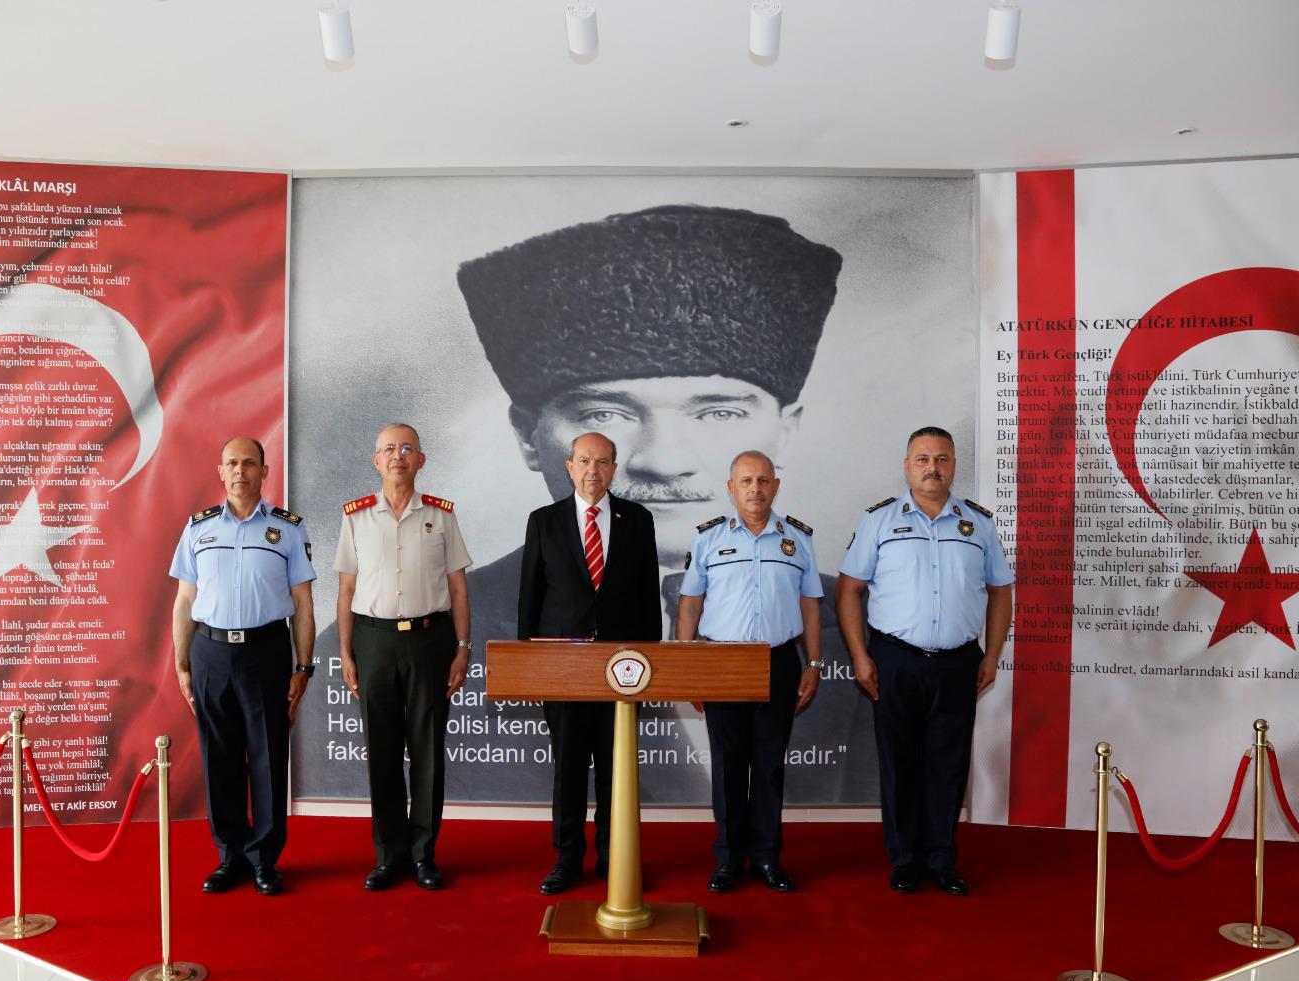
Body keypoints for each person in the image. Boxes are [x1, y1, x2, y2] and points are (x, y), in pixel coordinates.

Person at [458, 203, 879, 808]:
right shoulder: (454, 628)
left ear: (784, 434)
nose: (663, 460)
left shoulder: (866, 627)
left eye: (719, 413)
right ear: (528, 437)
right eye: (605, 413)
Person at [835, 427, 1013, 897]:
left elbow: (1000, 592)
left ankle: (941, 858)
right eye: (923, 459)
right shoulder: (879, 521)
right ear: (907, 465)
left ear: (953, 464)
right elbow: (849, 589)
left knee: (948, 763)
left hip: (958, 662)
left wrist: (993, 655)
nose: (932, 467)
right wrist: (860, 655)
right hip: (895, 659)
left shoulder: (978, 524)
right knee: (899, 762)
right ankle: (905, 859)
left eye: (941, 459)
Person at [170, 436, 316, 897]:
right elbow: (185, 600)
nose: (240, 471)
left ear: (264, 471)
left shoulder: (286, 529)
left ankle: (264, 859)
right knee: (220, 757)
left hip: (266, 652)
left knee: (269, 755)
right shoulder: (198, 528)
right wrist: (182, 661)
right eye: (231, 463)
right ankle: (229, 856)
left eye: (249, 463)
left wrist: (304, 665)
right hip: (210, 652)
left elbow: (303, 603)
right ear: (220, 471)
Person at [518, 431, 660, 894]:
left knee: (617, 769)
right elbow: (530, 599)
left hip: (623, 670)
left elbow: (647, 597)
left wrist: (650, 663)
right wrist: (531, 668)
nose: (592, 471)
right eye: (584, 461)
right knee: (569, 768)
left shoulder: (637, 520)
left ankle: (615, 856)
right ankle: (567, 858)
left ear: (614, 468)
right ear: (569, 466)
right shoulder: (544, 521)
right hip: (562, 670)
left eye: (602, 462)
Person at [676, 450, 823, 893]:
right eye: (746, 481)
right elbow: (690, 605)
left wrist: (814, 663)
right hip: (722, 664)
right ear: (731, 488)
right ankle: (727, 858)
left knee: (769, 764)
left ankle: (766, 857)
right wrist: (688, 670)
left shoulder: (797, 539)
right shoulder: (708, 538)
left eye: (762, 481)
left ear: (775, 486)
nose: (755, 489)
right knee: (727, 766)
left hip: (779, 661)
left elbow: (810, 606)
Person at [335, 423, 473, 891]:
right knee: (383, 752)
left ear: (421, 460)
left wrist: (462, 648)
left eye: (407, 448)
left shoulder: (441, 516)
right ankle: (389, 855)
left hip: (429, 642)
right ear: (376, 460)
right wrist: (346, 652)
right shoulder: (355, 518)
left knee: (428, 751)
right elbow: (346, 589)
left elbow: (458, 589)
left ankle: (423, 854)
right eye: (389, 449)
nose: (398, 456)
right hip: (373, 642)